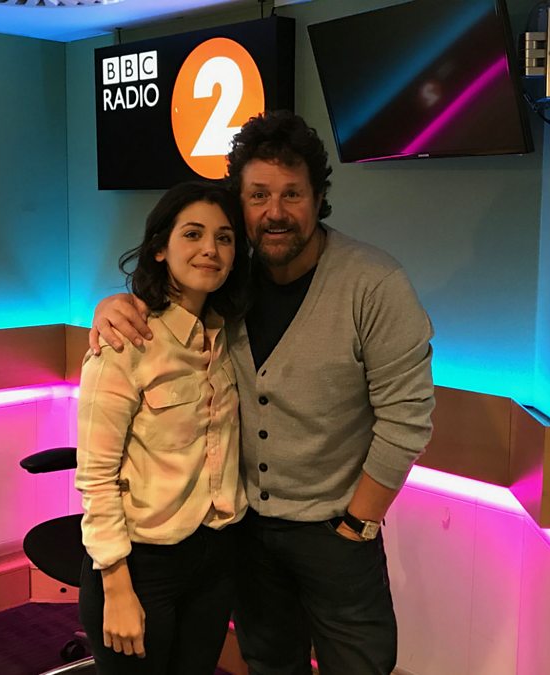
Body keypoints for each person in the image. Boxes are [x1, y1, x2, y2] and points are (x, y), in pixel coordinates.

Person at [89, 110, 435, 675]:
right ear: (241, 203)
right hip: (244, 535)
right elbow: (168, 304)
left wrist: (357, 525)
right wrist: (114, 304)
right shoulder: (229, 281)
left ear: (318, 199)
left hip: (338, 534)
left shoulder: (374, 284)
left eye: (292, 194)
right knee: (270, 664)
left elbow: (407, 420)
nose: (275, 211)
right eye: (258, 196)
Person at [75, 180, 251, 675]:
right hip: (140, 565)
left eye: (224, 238)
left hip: (215, 556)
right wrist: (116, 586)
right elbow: (96, 476)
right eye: (192, 234)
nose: (210, 249)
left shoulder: (230, 336)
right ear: (159, 248)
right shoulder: (126, 341)